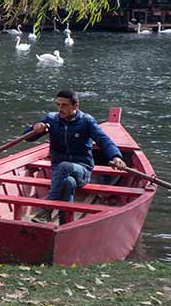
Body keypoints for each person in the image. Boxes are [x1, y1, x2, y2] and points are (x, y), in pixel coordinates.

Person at [25, 90, 126, 224]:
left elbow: (104, 140)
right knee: (68, 183)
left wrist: (116, 157)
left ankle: (47, 209)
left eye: (64, 105)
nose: (60, 109)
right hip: (58, 171)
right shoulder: (51, 119)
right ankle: (64, 223)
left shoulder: (86, 121)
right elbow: (27, 138)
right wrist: (34, 129)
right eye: (58, 105)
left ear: (75, 106)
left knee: (64, 166)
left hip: (83, 169)